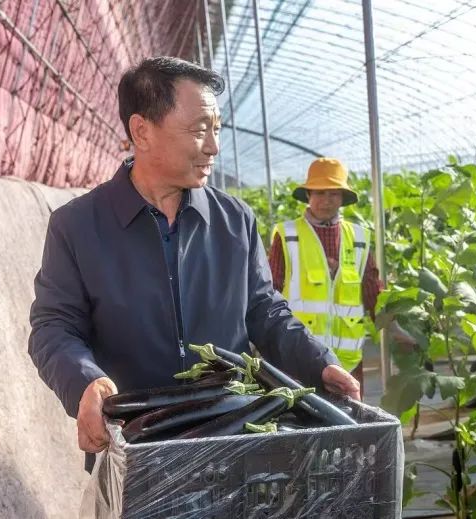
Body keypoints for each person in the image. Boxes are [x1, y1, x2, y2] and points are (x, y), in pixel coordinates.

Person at [28, 57, 359, 470]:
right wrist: (85, 382)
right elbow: (54, 327)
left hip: (235, 442)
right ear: (141, 131)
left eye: (216, 129)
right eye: (200, 129)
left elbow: (265, 311)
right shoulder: (76, 226)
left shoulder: (235, 221)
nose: (213, 147)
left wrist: (319, 363)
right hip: (133, 449)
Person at [269, 157, 415, 395]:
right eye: (320, 193)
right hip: (299, 357)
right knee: (300, 415)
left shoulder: (358, 238)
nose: (326, 201)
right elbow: (270, 290)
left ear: (343, 198)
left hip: (346, 362)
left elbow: (373, 292)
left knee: (349, 416)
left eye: (334, 194)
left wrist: (395, 330)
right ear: (308, 195)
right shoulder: (288, 235)